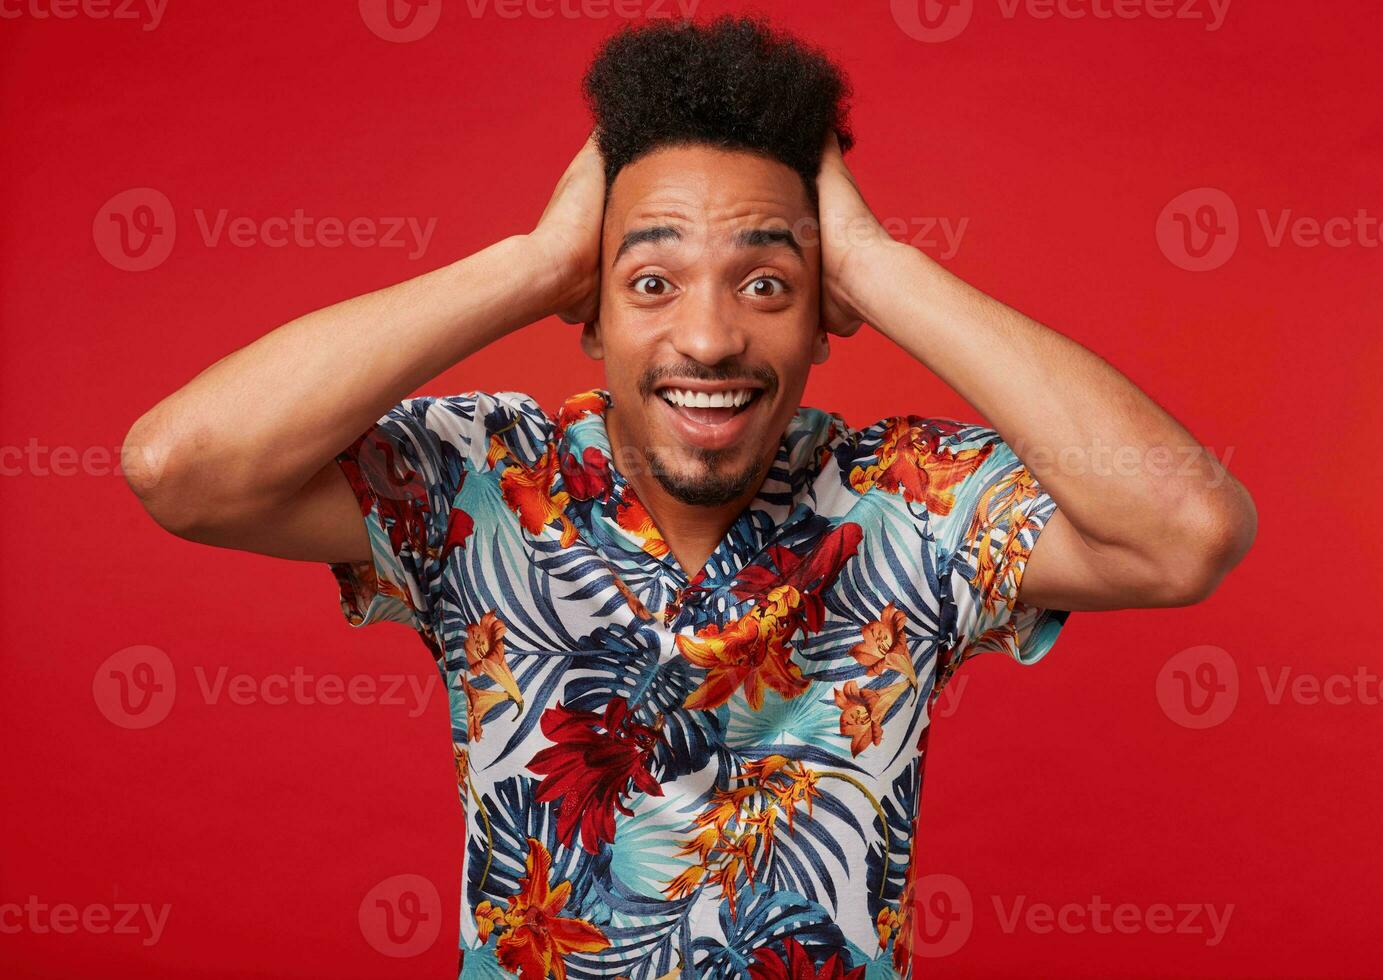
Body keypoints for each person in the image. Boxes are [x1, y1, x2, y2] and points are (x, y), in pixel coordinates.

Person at [122, 14, 1255, 980]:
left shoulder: (908, 501)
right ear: (590, 312)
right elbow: (183, 466)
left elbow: (1185, 533)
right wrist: (530, 259)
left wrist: (873, 262)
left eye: (768, 283)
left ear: (824, 319)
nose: (709, 337)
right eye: (650, 281)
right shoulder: (485, 479)